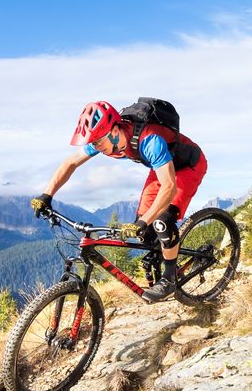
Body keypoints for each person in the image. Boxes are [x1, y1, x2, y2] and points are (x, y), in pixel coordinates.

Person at [31, 101, 207, 302]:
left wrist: (144, 222)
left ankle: (169, 279)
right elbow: (70, 163)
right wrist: (47, 195)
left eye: (98, 142)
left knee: (161, 221)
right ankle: (163, 256)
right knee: (144, 229)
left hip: (188, 166)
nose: (95, 146)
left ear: (114, 130)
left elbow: (169, 187)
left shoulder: (150, 141)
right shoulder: (105, 139)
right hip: (161, 167)